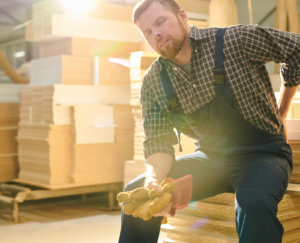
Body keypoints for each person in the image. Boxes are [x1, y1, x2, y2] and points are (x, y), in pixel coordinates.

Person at [118, 0, 299, 242]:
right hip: (211, 158)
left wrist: (282, 109)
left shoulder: (235, 40)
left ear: (182, 16)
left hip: (264, 155)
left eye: (160, 22)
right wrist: (153, 179)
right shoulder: (154, 82)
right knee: (137, 193)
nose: (156, 33)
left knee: (253, 205)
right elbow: (158, 143)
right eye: (148, 32)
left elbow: (295, 49)